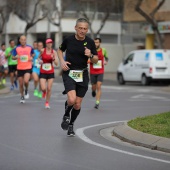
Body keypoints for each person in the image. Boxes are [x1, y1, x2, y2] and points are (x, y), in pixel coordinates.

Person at [57, 18, 98, 137]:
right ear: (75, 28)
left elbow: (95, 60)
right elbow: (60, 50)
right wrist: (62, 61)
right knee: (71, 99)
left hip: (83, 74)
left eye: (85, 29)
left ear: (87, 30)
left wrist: (90, 55)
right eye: (80, 28)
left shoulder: (90, 42)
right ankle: (66, 115)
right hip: (69, 72)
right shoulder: (68, 40)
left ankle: (71, 124)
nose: (82, 30)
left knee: (77, 104)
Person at [12, 35, 34, 103]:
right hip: (20, 68)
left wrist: (31, 57)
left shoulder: (30, 47)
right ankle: (22, 96)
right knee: (21, 84)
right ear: (20, 40)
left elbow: (33, 54)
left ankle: (26, 89)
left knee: (26, 81)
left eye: (24, 40)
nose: (23, 41)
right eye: (22, 40)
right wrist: (16, 57)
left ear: (26, 40)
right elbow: (12, 57)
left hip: (27, 67)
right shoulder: (16, 48)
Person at [89, 38, 109, 109]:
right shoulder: (90, 51)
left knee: (99, 86)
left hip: (100, 71)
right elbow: (87, 60)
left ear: (100, 43)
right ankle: (93, 91)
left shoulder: (103, 50)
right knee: (94, 86)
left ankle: (97, 102)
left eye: (97, 42)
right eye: (94, 42)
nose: (95, 44)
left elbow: (106, 57)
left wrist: (106, 61)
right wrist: (90, 61)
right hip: (92, 71)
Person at [39, 38, 58, 109]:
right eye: (48, 43)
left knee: (49, 88)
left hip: (50, 72)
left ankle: (47, 102)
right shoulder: (42, 50)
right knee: (43, 88)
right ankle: (44, 92)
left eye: (51, 43)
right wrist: (39, 61)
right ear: (46, 44)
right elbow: (38, 58)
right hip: (43, 71)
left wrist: (53, 59)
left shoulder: (54, 52)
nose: (49, 44)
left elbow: (56, 63)